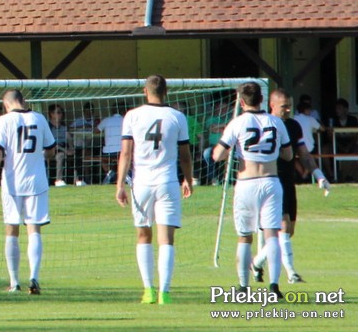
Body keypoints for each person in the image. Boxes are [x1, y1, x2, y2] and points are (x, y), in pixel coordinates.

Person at [116, 75, 193, 305]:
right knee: (166, 238)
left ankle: (148, 289)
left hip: (141, 183)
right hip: (167, 182)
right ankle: (164, 292)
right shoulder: (177, 116)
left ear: (145, 91)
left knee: (143, 235)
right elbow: (185, 155)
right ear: (166, 91)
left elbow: (126, 153)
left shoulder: (132, 115)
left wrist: (120, 184)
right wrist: (188, 179)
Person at [211, 81, 292, 298]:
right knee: (271, 235)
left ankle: (243, 287)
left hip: (246, 183)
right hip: (271, 181)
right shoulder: (276, 122)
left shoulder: (237, 123)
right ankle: (274, 286)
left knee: (245, 236)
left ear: (241, 101)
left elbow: (217, 155)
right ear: (262, 99)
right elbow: (288, 154)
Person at [251, 89, 330, 285]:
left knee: (287, 232)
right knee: (283, 226)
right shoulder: (264, 123)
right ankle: (291, 273)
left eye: (289, 106)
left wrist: (319, 175)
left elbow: (303, 154)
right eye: (284, 106)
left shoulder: (294, 126)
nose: (287, 110)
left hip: (288, 181)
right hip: (270, 181)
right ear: (272, 105)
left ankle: (256, 262)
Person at [0, 89, 56, 295]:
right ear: (23, 101)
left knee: (12, 229)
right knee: (34, 229)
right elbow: (51, 150)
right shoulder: (39, 118)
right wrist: (40, 156)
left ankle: (14, 282)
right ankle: (34, 277)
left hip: (12, 183)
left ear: (6, 104)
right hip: (36, 182)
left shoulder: (4, 120)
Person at [47, 104, 76, 187]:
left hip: (64, 147)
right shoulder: (48, 127)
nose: (61, 115)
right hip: (52, 149)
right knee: (60, 156)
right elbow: (51, 143)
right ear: (52, 114)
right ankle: (58, 180)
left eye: (61, 112)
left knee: (77, 154)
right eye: (58, 112)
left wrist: (71, 148)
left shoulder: (64, 126)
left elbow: (69, 138)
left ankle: (77, 180)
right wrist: (65, 150)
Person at [97, 102, 124, 184]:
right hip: (122, 151)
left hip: (108, 152)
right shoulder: (125, 120)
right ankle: (123, 175)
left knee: (102, 158)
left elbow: (96, 131)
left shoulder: (106, 120)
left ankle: (109, 172)